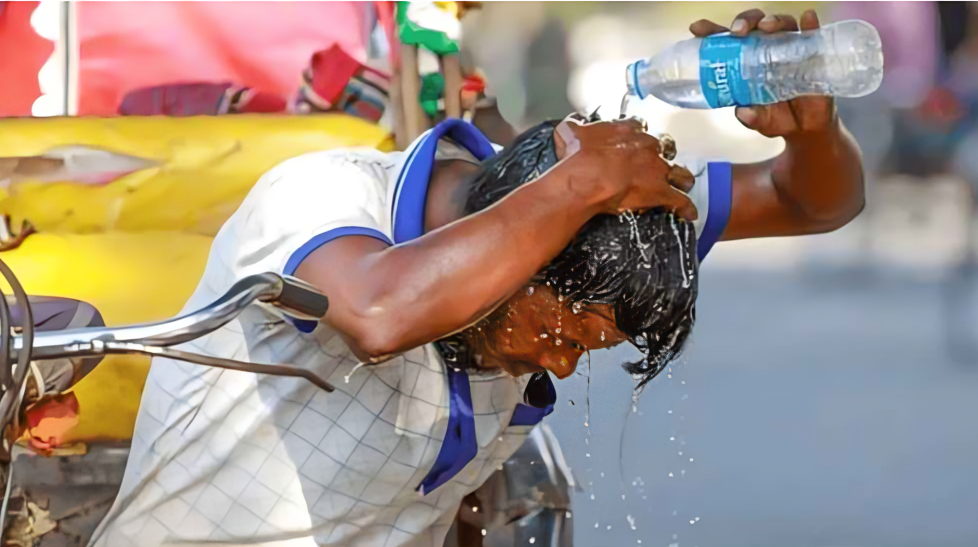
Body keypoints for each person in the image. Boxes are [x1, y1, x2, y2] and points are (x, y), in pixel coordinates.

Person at [90, 8, 863, 547]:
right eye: (566, 332)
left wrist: (815, 130)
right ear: (530, 247)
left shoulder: (599, 231)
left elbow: (813, 200)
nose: (561, 363)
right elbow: (381, 313)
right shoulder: (319, 197)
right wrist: (574, 188)